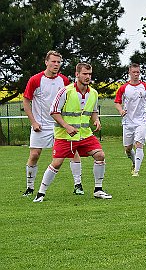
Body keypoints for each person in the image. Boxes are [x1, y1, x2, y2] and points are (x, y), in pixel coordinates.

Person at [33, 62, 112, 202]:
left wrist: (96, 120)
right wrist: (67, 126)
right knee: (56, 163)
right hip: (65, 136)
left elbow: (93, 111)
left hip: (85, 134)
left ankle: (98, 190)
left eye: (90, 74)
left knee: (100, 155)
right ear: (77, 74)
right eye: (85, 74)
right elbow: (53, 111)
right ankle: (41, 193)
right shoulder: (65, 91)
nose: (88, 77)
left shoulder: (93, 93)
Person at [22, 50, 83, 197]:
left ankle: (78, 185)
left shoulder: (64, 80)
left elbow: (69, 100)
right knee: (35, 155)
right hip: (41, 126)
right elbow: (26, 100)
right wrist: (33, 122)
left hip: (60, 125)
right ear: (46, 62)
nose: (56, 64)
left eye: (58, 62)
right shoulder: (35, 80)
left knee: (73, 152)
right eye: (53, 61)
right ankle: (30, 188)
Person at [114, 63, 146, 177]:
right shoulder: (124, 88)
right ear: (129, 73)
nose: (136, 74)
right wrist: (121, 110)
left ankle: (136, 171)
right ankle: (133, 162)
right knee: (128, 148)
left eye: (138, 72)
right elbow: (117, 102)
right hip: (128, 121)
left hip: (141, 120)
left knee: (139, 144)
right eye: (134, 72)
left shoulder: (145, 87)